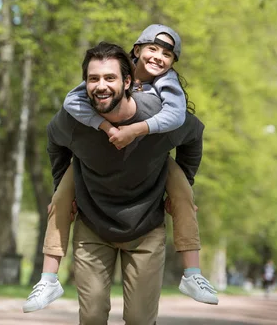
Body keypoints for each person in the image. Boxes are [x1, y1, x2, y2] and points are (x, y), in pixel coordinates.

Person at [23, 25, 218, 314]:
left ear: (126, 82)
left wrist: (140, 132)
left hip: (147, 213)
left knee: (182, 190)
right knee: (61, 195)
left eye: (167, 54)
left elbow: (186, 125)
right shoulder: (79, 111)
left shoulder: (162, 101)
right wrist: (100, 129)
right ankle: (48, 278)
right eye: (94, 79)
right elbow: (59, 129)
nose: (158, 58)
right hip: (93, 217)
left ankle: (192, 273)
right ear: (136, 50)